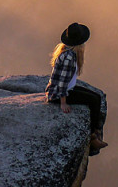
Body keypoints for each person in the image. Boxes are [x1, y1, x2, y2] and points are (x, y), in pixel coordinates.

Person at [46, 22, 108, 152]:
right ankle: (93, 138)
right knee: (94, 101)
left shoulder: (68, 52)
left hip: (67, 89)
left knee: (96, 97)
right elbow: (62, 82)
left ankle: (95, 135)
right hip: (59, 94)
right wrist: (63, 103)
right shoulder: (69, 57)